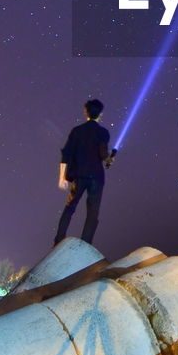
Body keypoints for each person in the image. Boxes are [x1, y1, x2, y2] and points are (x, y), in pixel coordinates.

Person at [55, 98, 111, 246]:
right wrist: (109, 160)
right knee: (93, 212)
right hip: (96, 177)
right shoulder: (103, 132)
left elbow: (66, 154)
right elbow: (103, 155)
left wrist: (62, 177)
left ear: (86, 112)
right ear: (100, 115)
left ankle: (58, 240)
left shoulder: (76, 131)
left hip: (79, 175)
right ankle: (85, 245)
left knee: (70, 207)